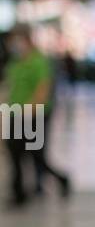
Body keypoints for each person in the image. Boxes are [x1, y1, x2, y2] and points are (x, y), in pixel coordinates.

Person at [2, 26, 69, 206]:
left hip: (34, 114)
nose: (15, 44)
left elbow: (43, 87)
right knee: (14, 152)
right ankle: (19, 193)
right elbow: (11, 86)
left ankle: (61, 179)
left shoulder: (38, 60)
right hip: (15, 112)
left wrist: (31, 109)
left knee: (36, 154)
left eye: (18, 40)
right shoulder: (15, 62)